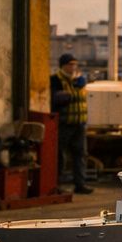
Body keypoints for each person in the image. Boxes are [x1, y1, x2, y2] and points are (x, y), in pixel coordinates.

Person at [49, 53, 93, 194]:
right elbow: (56, 99)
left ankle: (80, 184)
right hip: (64, 124)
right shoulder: (55, 80)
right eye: (70, 64)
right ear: (63, 66)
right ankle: (56, 185)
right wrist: (70, 93)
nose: (73, 67)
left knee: (80, 155)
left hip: (79, 124)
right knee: (59, 155)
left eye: (74, 64)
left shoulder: (80, 80)